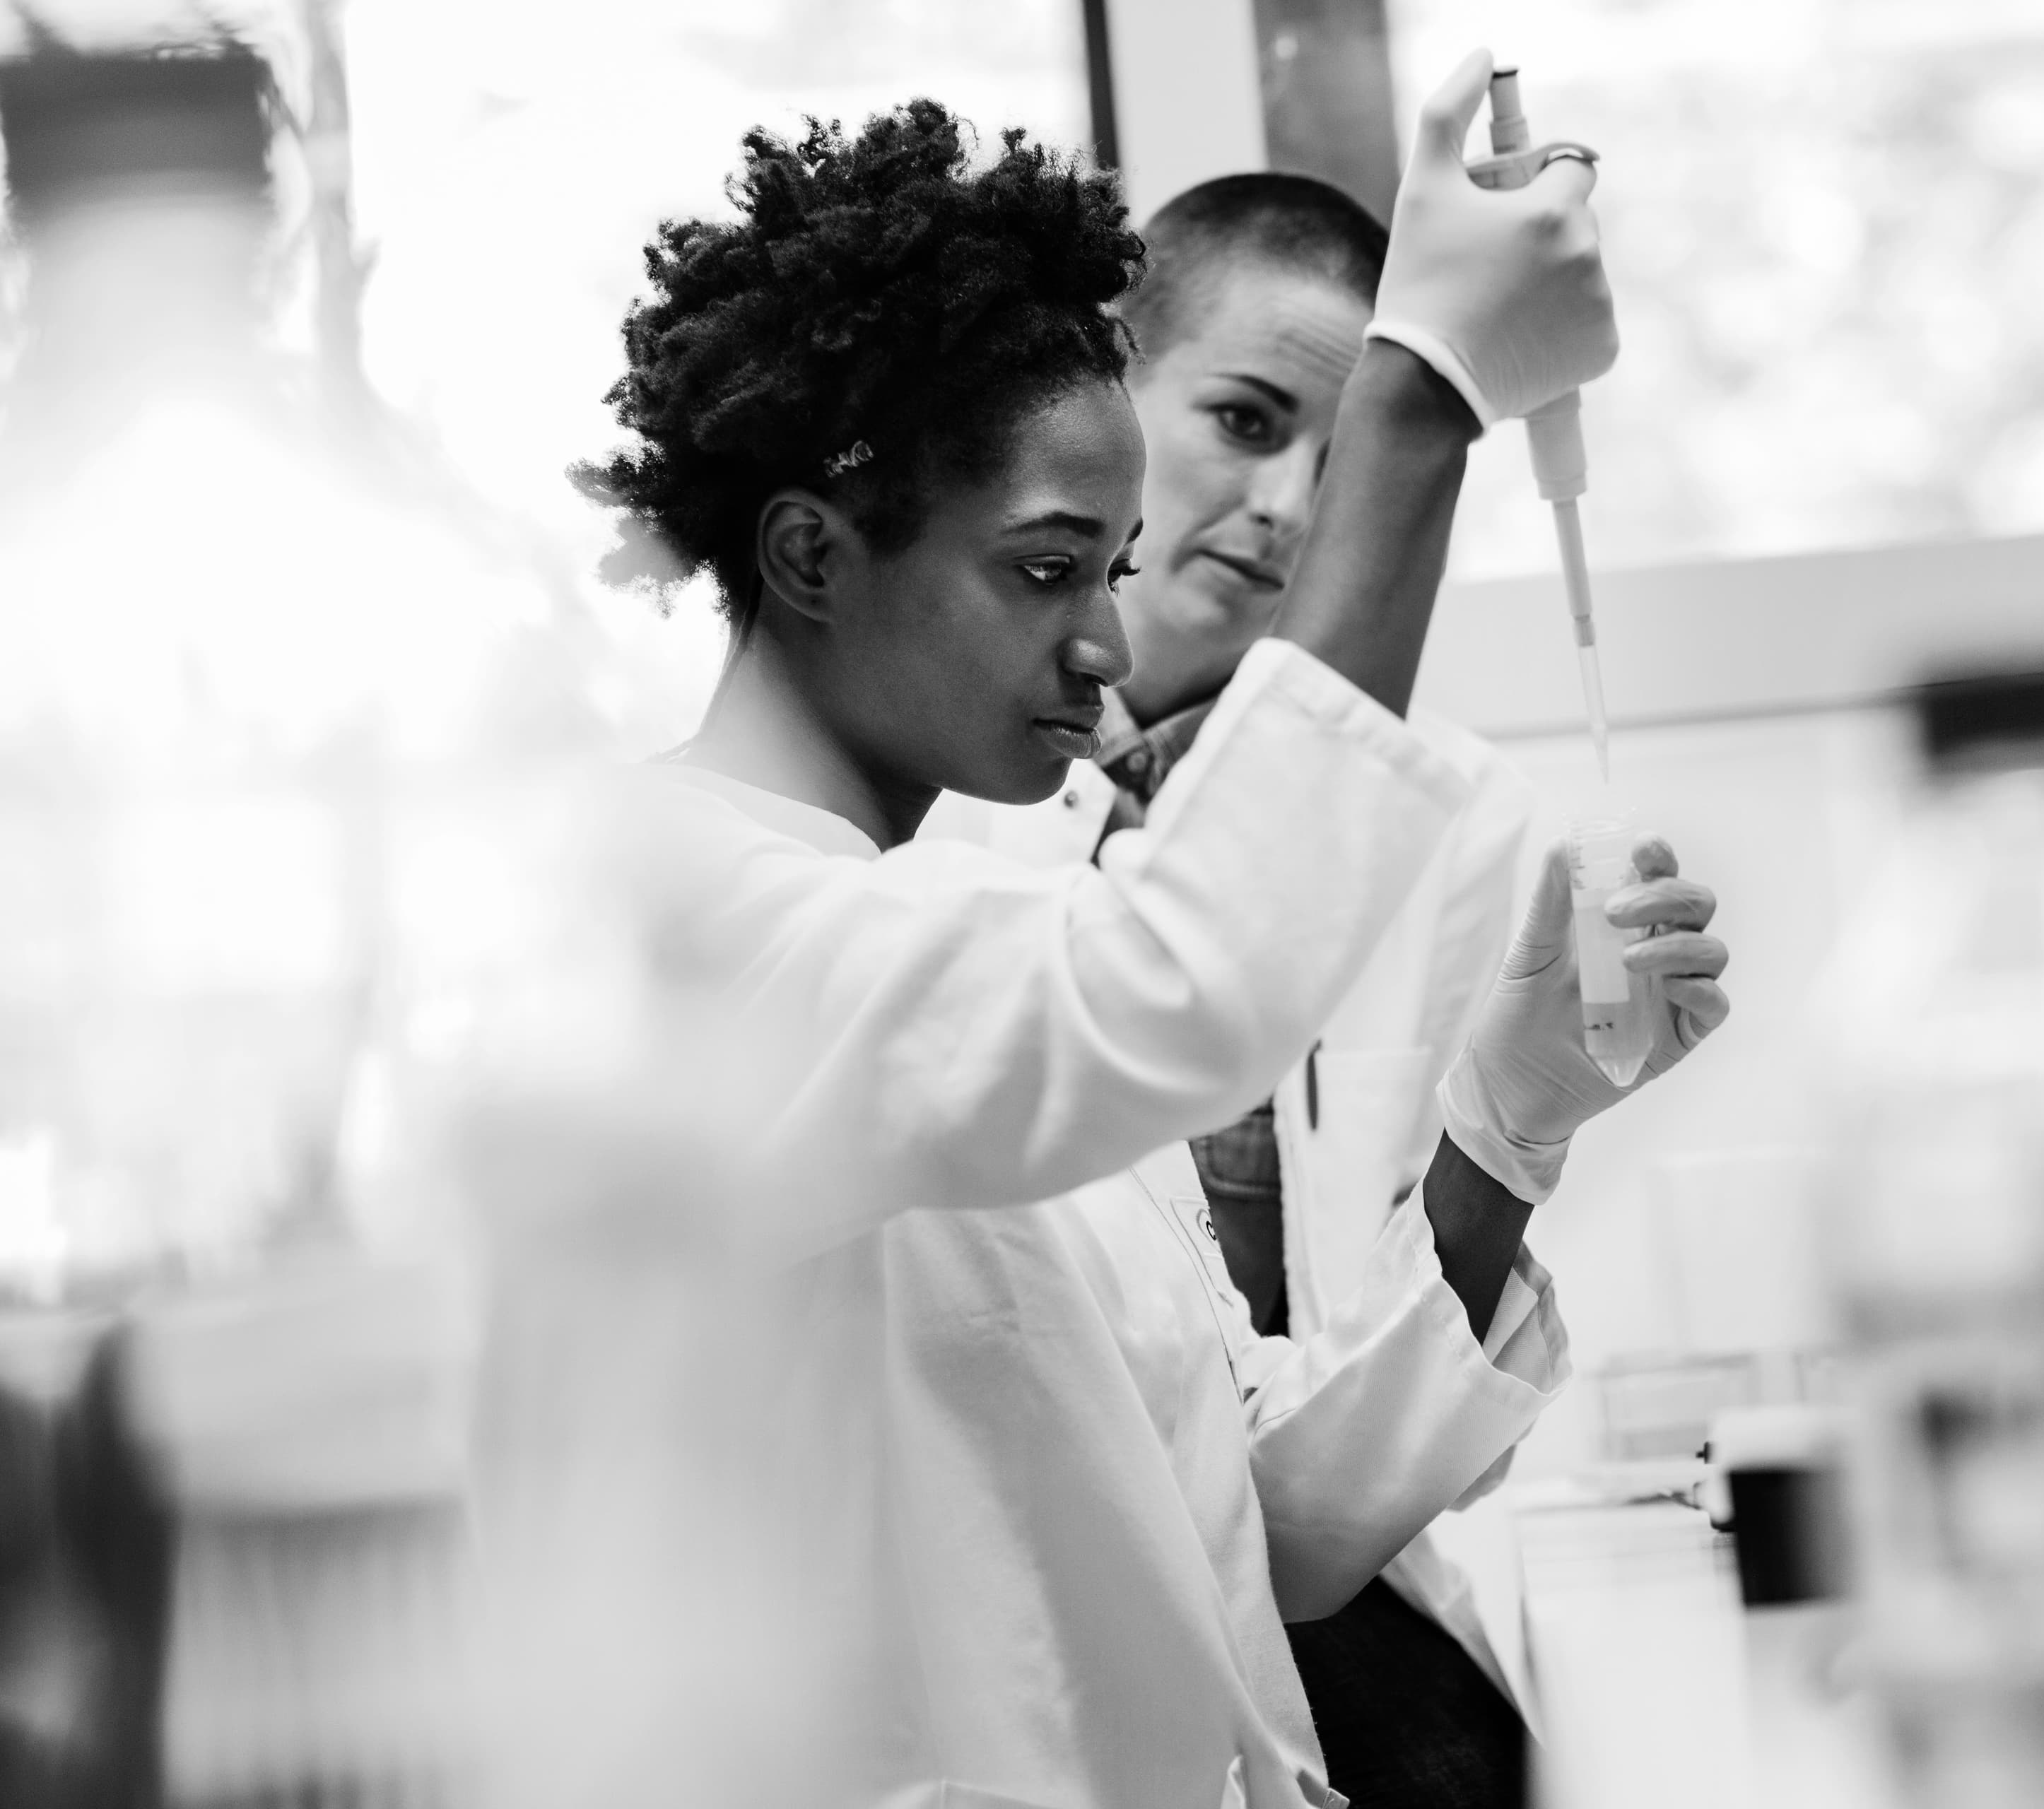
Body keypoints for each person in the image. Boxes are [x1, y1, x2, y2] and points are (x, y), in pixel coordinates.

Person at [576, 58, 1727, 1809]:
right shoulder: (670, 925)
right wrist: (1421, 396)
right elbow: (1179, 988)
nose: (1108, 651)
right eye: (1048, 571)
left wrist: (1510, 1116)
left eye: (1113, 571)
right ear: (810, 554)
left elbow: (1260, 1530)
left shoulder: (938, 924)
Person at [926, 170, 1541, 1806]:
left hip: (1330, 1569)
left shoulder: (1439, 813)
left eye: (1339, 463)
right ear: (1105, 391)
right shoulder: (936, 839)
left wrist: (1523, 1127)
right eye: (1246, 417)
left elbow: (1317, 1473)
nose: (1284, 504)